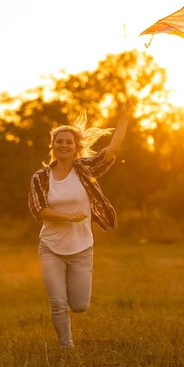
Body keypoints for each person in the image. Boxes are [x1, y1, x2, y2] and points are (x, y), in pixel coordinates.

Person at [28, 104, 132, 350]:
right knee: (57, 302)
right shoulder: (41, 177)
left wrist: (124, 119)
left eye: (69, 142)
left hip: (82, 248)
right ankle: (67, 347)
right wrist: (67, 216)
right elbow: (39, 210)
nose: (64, 145)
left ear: (76, 148)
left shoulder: (85, 169)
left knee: (80, 305)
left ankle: (67, 286)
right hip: (50, 247)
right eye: (59, 141)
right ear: (53, 146)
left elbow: (112, 149)